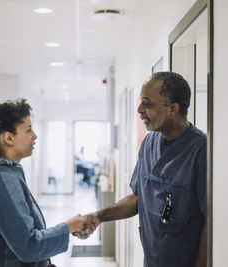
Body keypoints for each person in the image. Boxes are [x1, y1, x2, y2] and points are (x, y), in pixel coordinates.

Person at [78, 71, 207, 267]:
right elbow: (139, 198)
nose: (139, 109)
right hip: (153, 258)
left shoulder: (201, 150)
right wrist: (99, 216)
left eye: (147, 103)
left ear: (173, 108)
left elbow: (211, 220)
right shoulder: (149, 142)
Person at [0, 96, 85, 267]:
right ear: (9, 138)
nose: (35, 136)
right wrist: (68, 227)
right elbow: (28, 246)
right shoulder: (1, 180)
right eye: (28, 130)